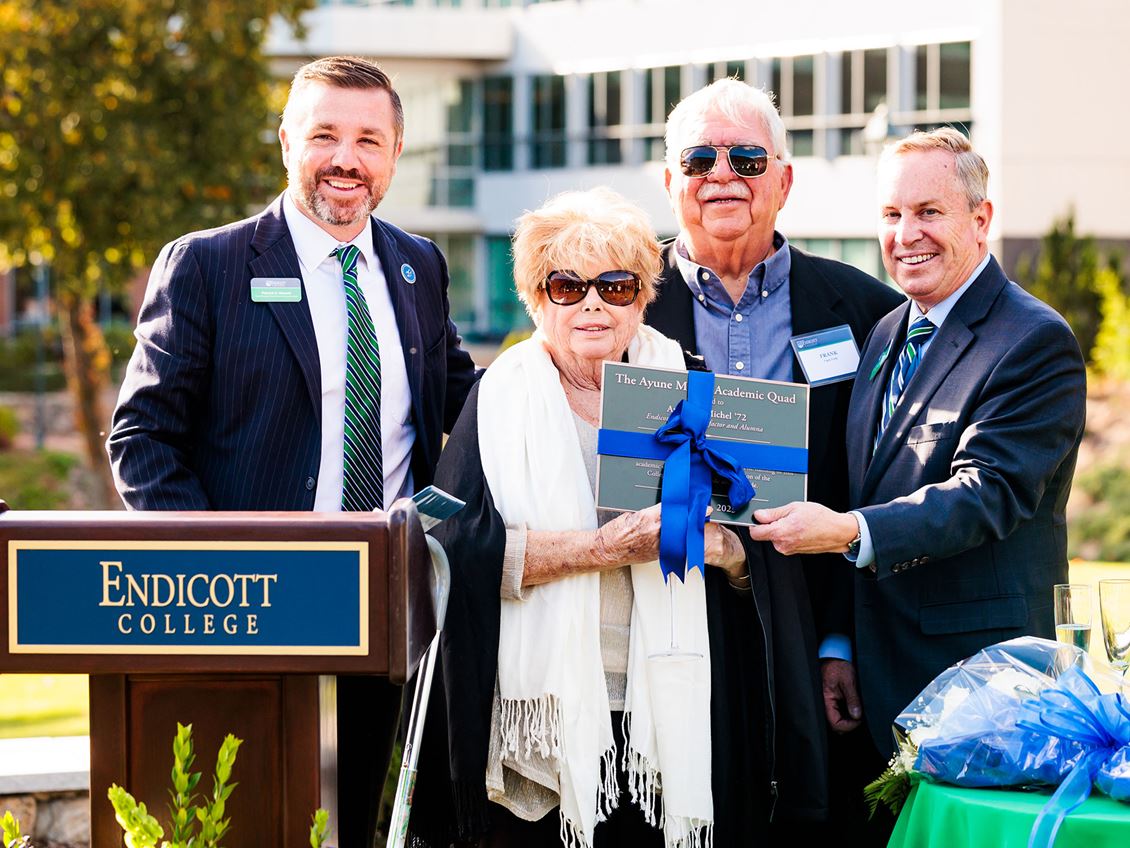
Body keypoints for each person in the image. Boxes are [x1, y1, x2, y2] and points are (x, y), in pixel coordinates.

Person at [106, 56, 479, 848]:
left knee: (378, 826)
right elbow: (141, 440)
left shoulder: (419, 267)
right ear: (285, 143)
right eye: (324, 136)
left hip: (390, 610)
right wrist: (217, 566)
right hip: (255, 608)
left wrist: (579, 383)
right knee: (259, 821)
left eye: (368, 139)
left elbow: (464, 400)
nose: (346, 159)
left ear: (394, 154)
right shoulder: (206, 264)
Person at [407, 188, 768, 848]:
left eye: (616, 285)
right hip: (541, 720)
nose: (593, 303)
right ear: (536, 297)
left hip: (665, 719)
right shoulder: (498, 399)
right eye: (568, 286)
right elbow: (453, 553)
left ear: (643, 295)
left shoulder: (691, 385)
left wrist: (731, 556)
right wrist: (600, 548)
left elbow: (758, 562)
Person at [749, 127, 1087, 798]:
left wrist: (848, 532)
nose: (908, 234)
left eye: (929, 212)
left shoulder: (1033, 341)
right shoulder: (884, 333)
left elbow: (986, 493)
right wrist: (842, 642)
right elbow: (867, 482)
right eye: (892, 215)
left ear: (981, 218)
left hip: (983, 691)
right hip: (876, 685)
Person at [645, 78, 905, 828]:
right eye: (699, 159)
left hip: (809, 621)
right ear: (671, 183)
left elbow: (880, 486)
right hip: (664, 612)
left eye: (748, 157)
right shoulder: (618, 303)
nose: (722, 175)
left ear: (784, 181)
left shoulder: (865, 313)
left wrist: (839, 637)